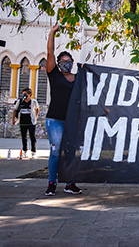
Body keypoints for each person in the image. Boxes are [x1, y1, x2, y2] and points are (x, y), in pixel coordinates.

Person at [45, 24, 82, 196]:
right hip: (55, 120)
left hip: (72, 120)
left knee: (70, 152)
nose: (66, 64)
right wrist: (52, 33)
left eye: (69, 62)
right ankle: (52, 183)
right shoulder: (54, 75)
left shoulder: (78, 78)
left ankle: (70, 183)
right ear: (58, 64)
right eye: (63, 62)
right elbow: (50, 54)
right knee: (55, 150)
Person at [12, 88, 39, 159]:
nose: (24, 95)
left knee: (32, 136)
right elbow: (15, 110)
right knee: (24, 137)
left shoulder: (33, 102)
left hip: (31, 122)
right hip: (23, 122)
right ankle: (24, 151)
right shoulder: (20, 101)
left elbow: (37, 109)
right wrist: (13, 119)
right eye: (23, 94)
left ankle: (33, 152)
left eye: (26, 94)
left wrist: (35, 117)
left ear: (30, 94)